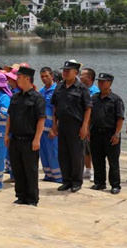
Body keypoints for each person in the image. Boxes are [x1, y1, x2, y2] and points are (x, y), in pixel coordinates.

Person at [5, 67, 46, 206]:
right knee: (17, 169)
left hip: (29, 140)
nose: (16, 80)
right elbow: (9, 117)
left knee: (31, 170)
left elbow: (41, 119)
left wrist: (37, 139)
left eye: (19, 77)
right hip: (15, 139)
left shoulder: (37, 98)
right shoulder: (15, 97)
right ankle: (21, 195)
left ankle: (32, 198)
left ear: (27, 78)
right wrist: (7, 134)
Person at [50, 61, 92, 193]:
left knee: (76, 154)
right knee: (63, 154)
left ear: (76, 73)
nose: (65, 72)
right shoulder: (59, 87)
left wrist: (85, 126)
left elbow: (88, 108)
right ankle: (66, 180)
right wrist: (54, 124)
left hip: (76, 125)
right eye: (64, 70)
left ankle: (76, 181)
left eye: (69, 70)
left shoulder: (81, 88)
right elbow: (55, 106)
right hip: (62, 124)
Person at [90, 73, 124, 194]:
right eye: (99, 82)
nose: (101, 84)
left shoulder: (116, 99)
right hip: (96, 132)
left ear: (110, 83)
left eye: (103, 82)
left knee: (113, 161)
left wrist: (117, 134)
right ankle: (99, 182)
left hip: (110, 133)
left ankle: (115, 185)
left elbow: (120, 118)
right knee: (97, 159)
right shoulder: (94, 98)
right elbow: (89, 115)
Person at [38, 67, 63, 183]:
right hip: (42, 128)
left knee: (54, 153)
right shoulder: (41, 91)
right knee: (44, 153)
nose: (44, 78)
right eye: (42, 76)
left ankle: (58, 176)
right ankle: (48, 174)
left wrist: (55, 127)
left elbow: (56, 110)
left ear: (52, 76)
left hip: (52, 128)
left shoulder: (56, 91)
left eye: (46, 76)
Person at [80, 67, 99, 182]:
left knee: (93, 149)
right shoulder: (80, 89)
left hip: (92, 124)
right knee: (85, 149)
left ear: (90, 78)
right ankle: (88, 169)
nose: (80, 77)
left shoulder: (95, 92)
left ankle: (96, 171)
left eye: (82, 75)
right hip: (82, 123)